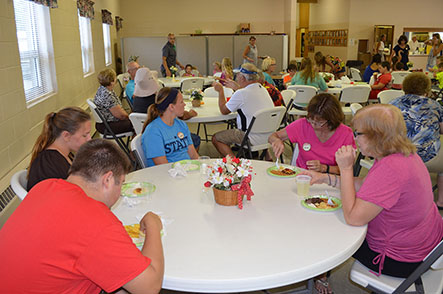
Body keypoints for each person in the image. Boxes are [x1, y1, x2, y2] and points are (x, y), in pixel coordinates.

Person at [302, 104, 443, 284]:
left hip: (399, 259)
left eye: (358, 133)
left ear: (375, 136)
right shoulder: (402, 154)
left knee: (324, 226)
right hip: (424, 243)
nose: (355, 139)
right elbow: (370, 186)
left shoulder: (391, 168)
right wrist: (326, 178)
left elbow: (353, 218)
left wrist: (345, 169)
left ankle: (317, 277)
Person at [0, 139, 165, 293]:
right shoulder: (98, 223)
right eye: (120, 183)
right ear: (107, 180)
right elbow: (150, 287)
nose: (120, 192)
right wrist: (153, 225)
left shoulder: (44, 186)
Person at [390, 72, 443, 209]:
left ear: (405, 87)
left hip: (398, 155)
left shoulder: (392, 104)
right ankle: (441, 201)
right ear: (426, 89)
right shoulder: (434, 105)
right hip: (429, 157)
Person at [269, 93, 355, 174]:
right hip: (303, 177)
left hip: (330, 179)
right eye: (311, 120)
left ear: (332, 120)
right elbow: (272, 136)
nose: (313, 125)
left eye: (319, 123)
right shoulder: (302, 125)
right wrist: (276, 140)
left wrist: (324, 168)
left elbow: (348, 168)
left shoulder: (345, 133)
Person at [212, 63, 274, 157]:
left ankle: (234, 163)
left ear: (243, 78)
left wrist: (221, 91)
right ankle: (267, 156)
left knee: (216, 138)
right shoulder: (263, 89)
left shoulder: (241, 93)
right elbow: (248, 96)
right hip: (268, 135)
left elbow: (224, 111)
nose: (236, 78)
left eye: (238, 75)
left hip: (249, 137)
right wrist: (238, 88)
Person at [27, 107, 91, 191]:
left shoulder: (66, 154)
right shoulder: (49, 163)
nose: (89, 139)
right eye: (85, 135)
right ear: (66, 136)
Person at [141, 87, 199, 166]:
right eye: (181, 102)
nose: (184, 104)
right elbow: (163, 166)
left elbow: (193, 155)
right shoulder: (153, 132)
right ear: (171, 107)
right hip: (167, 174)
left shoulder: (181, 125)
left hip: (186, 170)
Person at [94, 68, 133, 134]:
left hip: (105, 123)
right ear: (112, 81)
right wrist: (130, 117)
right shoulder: (107, 94)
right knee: (137, 123)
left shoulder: (103, 89)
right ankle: (136, 143)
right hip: (107, 125)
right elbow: (121, 116)